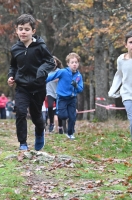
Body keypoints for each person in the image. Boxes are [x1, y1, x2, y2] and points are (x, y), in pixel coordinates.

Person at [7, 14, 55, 151]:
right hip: (22, 87)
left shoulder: (40, 46)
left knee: (36, 117)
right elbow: (13, 66)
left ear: (33, 31)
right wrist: (11, 76)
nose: (23, 32)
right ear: (16, 30)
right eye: (20, 29)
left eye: (27, 29)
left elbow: (50, 62)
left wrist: (41, 71)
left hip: (38, 87)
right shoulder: (15, 49)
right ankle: (23, 143)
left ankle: (40, 131)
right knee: (21, 112)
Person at [46, 52, 84, 140]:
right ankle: (62, 115)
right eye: (72, 62)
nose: (74, 64)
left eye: (76, 62)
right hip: (62, 98)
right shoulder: (62, 72)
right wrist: (40, 80)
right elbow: (51, 77)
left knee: (72, 117)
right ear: (68, 64)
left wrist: (76, 86)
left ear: (78, 64)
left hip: (72, 98)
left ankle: (70, 133)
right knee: (63, 116)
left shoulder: (79, 76)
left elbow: (80, 89)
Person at [46, 56, 64, 133]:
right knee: (50, 106)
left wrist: (59, 79)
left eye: (54, 62)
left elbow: (64, 80)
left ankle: (60, 126)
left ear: (57, 63)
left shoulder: (59, 71)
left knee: (59, 110)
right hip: (49, 92)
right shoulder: (46, 71)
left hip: (58, 92)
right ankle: (51, 123)